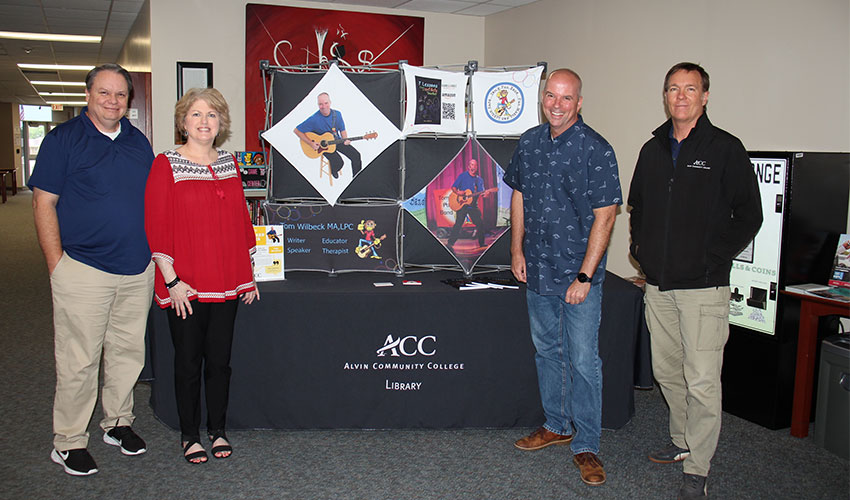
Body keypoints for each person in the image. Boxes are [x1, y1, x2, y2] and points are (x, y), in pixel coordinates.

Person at [628, 62, 762, 499]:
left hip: (704, 288)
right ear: (664, 96)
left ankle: (698, 469)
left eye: (690, 89)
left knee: (702, 380)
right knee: (668, 372)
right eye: (673, 89)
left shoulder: (725, 148)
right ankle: (683, 441)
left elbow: (749, 216)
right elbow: (639, 208)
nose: (680, 96)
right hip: (659, 286)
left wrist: (712, 258)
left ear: (705, 97)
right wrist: (641, 252)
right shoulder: (652, 150)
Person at [29, 63, 155, 476]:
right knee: (79, 359)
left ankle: (117, 423)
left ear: (128, 100)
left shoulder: (139, 144)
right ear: (89, 95)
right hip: (83, 268)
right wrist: (57, 266)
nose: (112, 101)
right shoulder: (62, 140)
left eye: (120, 94)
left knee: (127, 353)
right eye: (104, 93)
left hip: (136, 269)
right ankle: (68, 441)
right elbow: (43, 203)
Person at [505, 69, 621, 487]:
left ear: (579, 102)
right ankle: (557, 424)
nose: (556, 104)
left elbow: (606, 216)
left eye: (566, 98)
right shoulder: (529, 142)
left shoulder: (597, 150)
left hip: (578, 276)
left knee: (584, 361)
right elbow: (518, 193)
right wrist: (516, 250)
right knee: (547, 352)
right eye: (551, 96)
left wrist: (585, 275)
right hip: (536, 268)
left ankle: (587, 443)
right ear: (543, 98)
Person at [145, 88, 260, 464]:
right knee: (188, 361)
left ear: (220, 123)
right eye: (196, 114)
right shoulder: (166, 163)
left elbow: (240, 222)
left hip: (227, 280)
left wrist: (248, 275)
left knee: (220, 362)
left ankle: (218, 429)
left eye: (211, 115)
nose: (204, 121)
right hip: (186, 284)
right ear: (183, 122)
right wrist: (172, 280)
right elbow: (156, 224)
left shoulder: (229, 163)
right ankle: (190, 435)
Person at [294, 92, 362, 178]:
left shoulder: (337, 114)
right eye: (320, 104)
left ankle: (357, 179)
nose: (324, 106)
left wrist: (345, 139)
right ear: (318, 105)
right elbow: (297, 130)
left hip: (336, 140)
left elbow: (342, 129)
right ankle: (334, 170)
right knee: (339, 163)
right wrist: (310, 143)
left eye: (326, 103)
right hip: (323, 145)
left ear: (330, 102)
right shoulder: (314, 119)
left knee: (356, 155)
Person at [447, 159, 492, 251]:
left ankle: (482, 243)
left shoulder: (479, 180)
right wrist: (459, 193)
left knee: (480, 224)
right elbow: (454, 187)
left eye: (475, 165)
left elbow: (482, 192)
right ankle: (450, 243)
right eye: (471, 165)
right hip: (462, 204)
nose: (473, 167)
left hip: (473, 206)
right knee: (458, 224)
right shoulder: (463, 176)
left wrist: (486, 194)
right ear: (469, 166)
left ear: (477, 167)